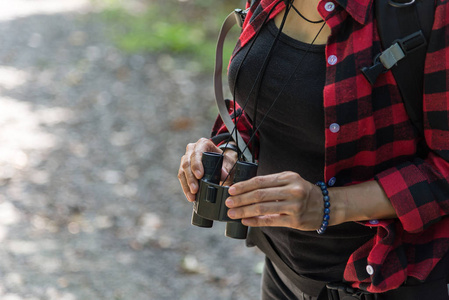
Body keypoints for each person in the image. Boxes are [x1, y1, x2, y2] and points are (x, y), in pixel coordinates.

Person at [177, 0, 449, 299]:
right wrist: (229, 148)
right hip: (282, 272)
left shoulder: (431, 9)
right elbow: (265, 102)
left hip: (385, 280)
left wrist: (327, 205)